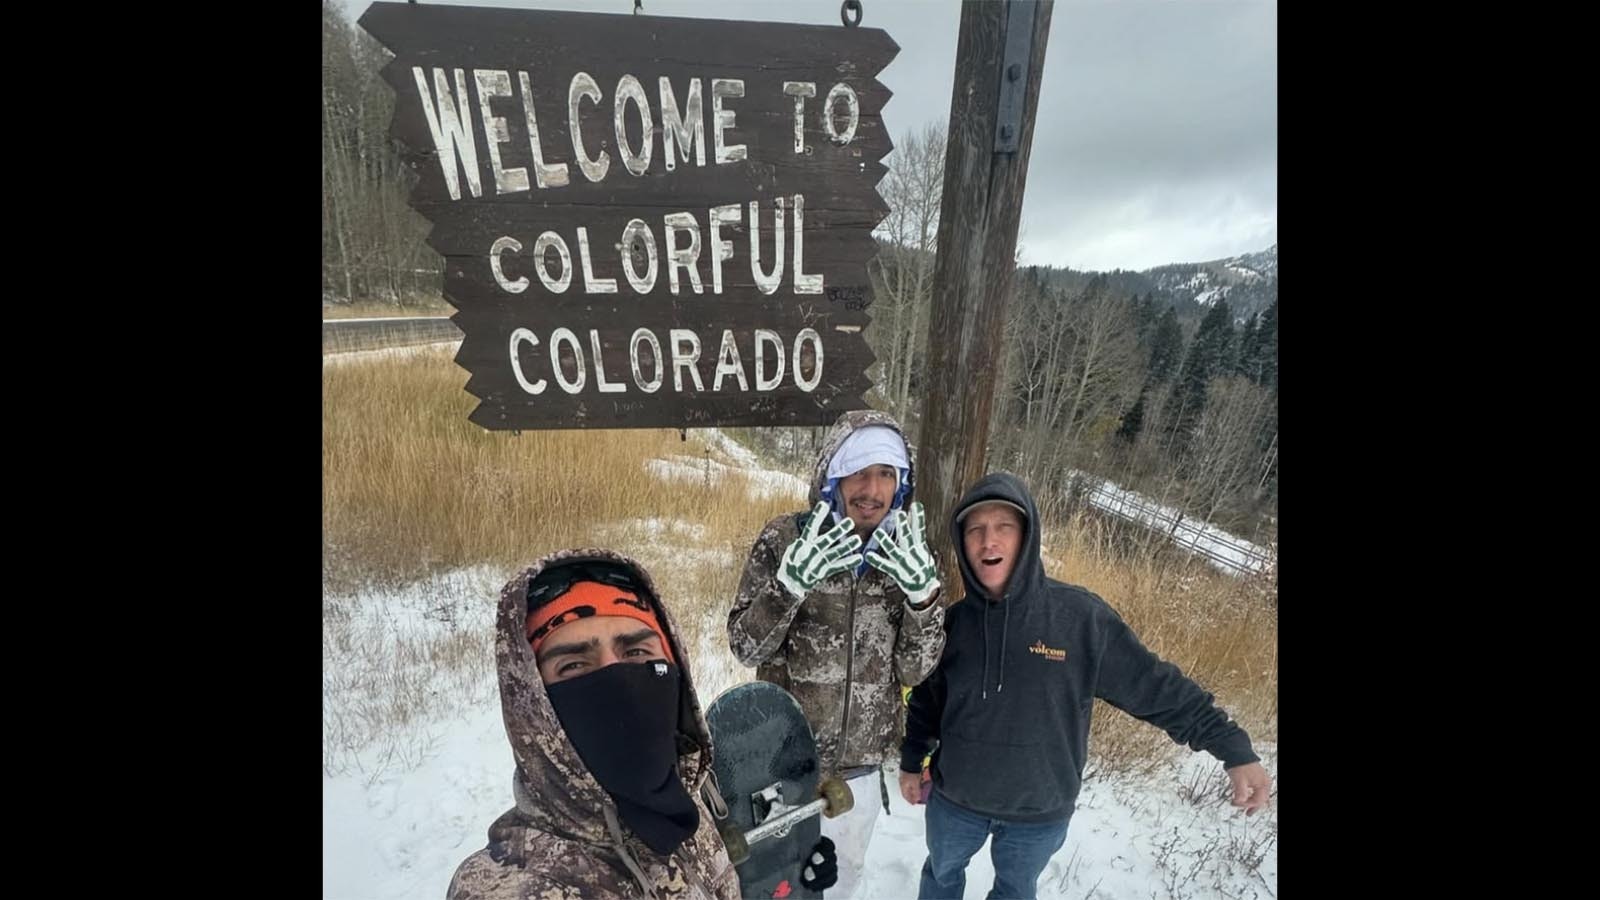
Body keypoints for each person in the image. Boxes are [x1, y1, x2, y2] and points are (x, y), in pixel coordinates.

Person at [900, 473, 1272, 900]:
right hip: (955, 802)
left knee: (1015, 891)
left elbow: (1155, 688)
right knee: (941, 878)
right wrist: (912, 762)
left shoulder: (1080, 620)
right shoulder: (950, 624)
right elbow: (926, 702)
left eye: (1004, 527)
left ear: (1028, 536)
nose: (989, 542)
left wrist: (1232, 747)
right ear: (961, 542)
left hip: (1038, 814)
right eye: (976, 530)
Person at [728, 410, 947, 899]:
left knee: (842, 879)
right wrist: (788, 586)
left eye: (887, 474)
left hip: (859, 772)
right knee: (776, 884)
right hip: (780, 767)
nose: (872, 489)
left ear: (901, 483)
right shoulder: (785, 539)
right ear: (834, 473)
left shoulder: (907, 553)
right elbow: (745, 647)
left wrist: (924, 602)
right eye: (860, 471)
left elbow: (915, 668)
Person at [447, 548, 748, 900]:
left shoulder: (686, 808)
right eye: (574, 665)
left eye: (637, 653)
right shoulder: (513, 886)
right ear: (530, 702)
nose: (617, 680)